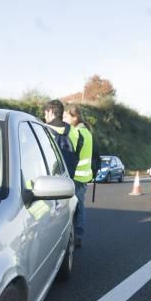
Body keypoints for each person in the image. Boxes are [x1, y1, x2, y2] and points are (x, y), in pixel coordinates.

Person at [63, 104, 93, 247]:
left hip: (75, 177)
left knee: (71, 208)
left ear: (74, 117)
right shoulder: (87, 132)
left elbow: (69, 153)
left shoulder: (75, 132)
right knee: (80, 207)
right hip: (84, 176)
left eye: (66, 116)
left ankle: (72, 237)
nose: (63, 119)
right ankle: (79, 235)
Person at [42, 99, 78, 176]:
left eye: (45, 114)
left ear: (51, 112)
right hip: (68, 178)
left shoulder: (44, 130)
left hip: (50, 178)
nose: (45, 117)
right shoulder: (74, 131)